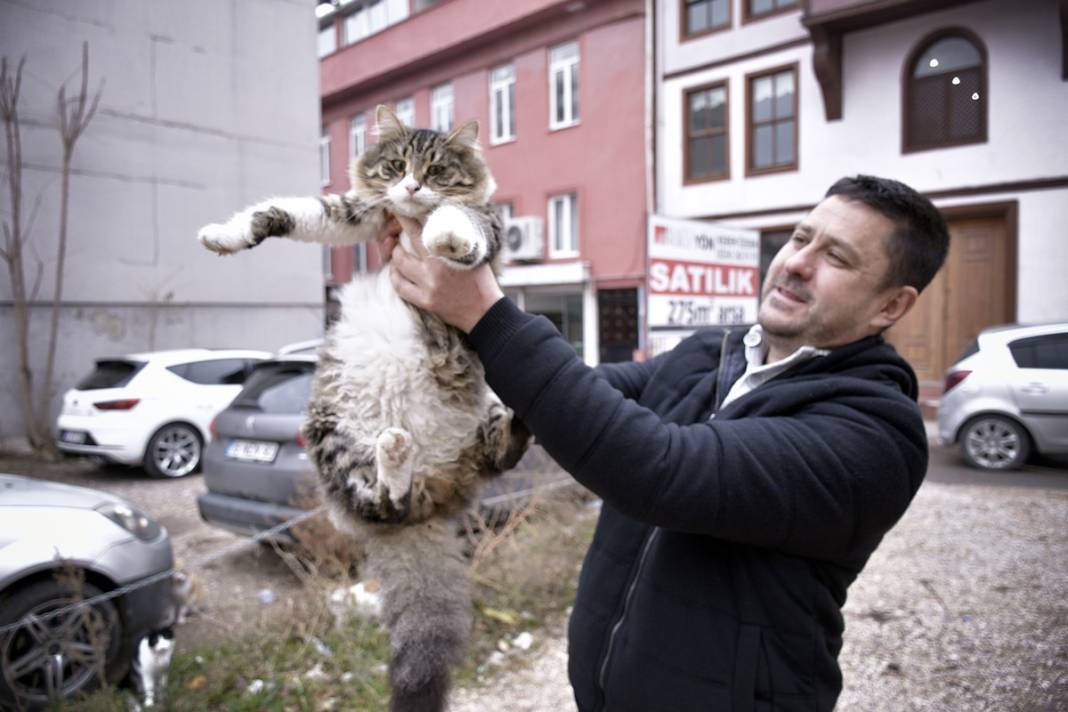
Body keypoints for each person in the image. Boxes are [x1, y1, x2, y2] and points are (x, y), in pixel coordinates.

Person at [381, 175, 950, 712]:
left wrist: (487, 314)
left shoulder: (875, 433)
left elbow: (658, 471)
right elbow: (577, 399)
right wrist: (443, 315)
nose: (797, 263)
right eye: (802, 237)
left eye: (837, 257)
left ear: (890, 305)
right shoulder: (715, 353)